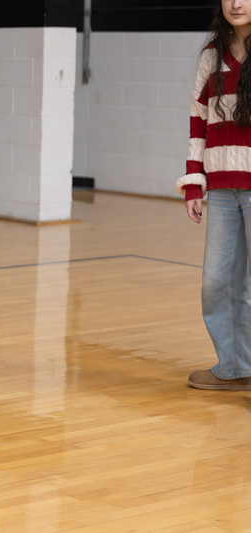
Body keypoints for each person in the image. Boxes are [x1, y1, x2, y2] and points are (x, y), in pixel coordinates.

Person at [177, 0, 251, 390]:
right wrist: (194, 181)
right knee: (216, 284)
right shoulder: (211, 55)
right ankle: (235, 367)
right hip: (221, 187)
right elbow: (197, 119)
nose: (236, 4)